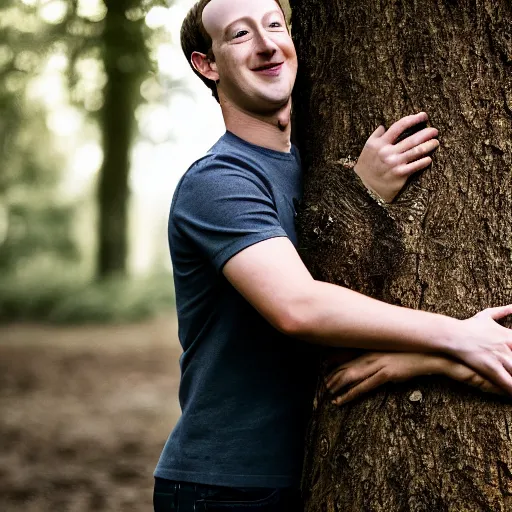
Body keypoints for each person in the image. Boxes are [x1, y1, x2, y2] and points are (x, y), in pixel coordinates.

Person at [153, 0, 512, 510]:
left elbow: (335, 282)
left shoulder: (309, 165)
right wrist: (458, 337)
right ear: (206, 64)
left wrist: (359, 202)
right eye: (239, 34)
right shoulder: (218, 181)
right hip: (227, 486)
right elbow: (298, 306)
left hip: (303, 472)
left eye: (275, 25)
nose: (266, 43)